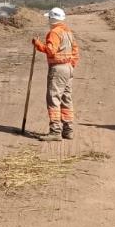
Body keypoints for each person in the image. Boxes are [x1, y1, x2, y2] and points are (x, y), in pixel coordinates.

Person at [32, 7, 80, 141]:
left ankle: (55, 131)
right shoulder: (68, 32)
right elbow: (76, 51)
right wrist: (71, 65)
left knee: (53, 98)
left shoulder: (54, 33)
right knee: (66, 99)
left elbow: (51, 50)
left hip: (58, 69)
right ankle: (68, 130)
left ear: (52, 19)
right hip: (68, 67)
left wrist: (38, 45)